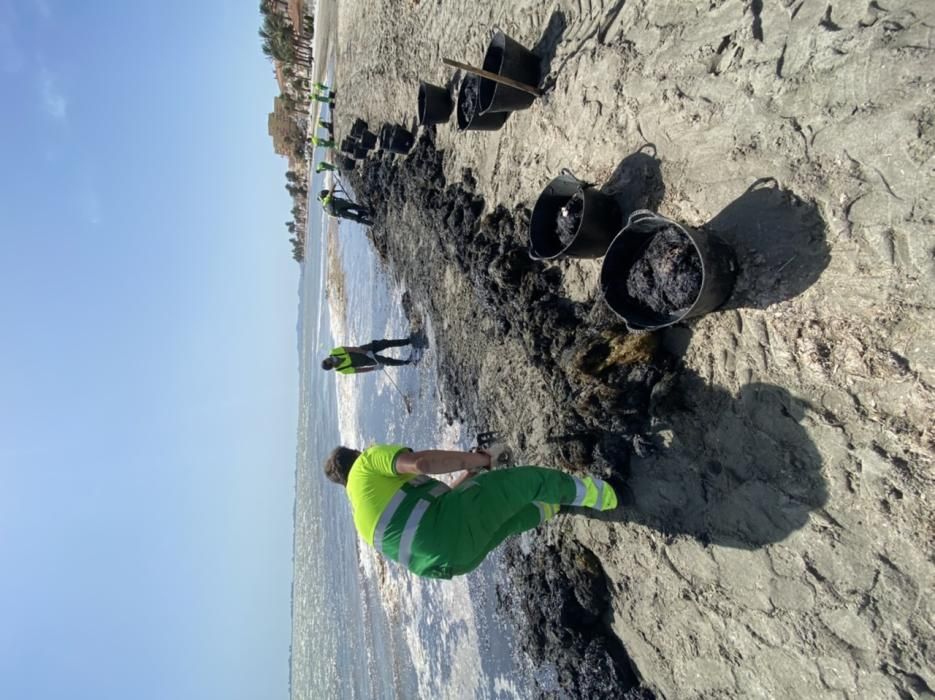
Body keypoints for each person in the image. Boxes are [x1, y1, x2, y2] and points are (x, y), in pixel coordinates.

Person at [322, 443, 618, 579]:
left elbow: (445, 503)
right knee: (526, 483)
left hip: (451, 563)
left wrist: (475, 470)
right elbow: (421, 463)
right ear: (357, 455)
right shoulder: (368, 463)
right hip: (448, 529)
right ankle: (606, 494)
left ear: (343, 485)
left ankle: (557, 505)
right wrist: (478, 458)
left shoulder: (361, 516)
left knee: (507, 519)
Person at [321, 338, 412, 374]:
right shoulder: (342, 370)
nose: (331, 357)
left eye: (329, 358)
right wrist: (374, 368)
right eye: (331, 360)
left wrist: (366, 352)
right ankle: (406, 362)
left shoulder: (334, 352)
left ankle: (408, 341)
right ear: (332, 366)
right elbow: (359, 370)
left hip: (364, 350)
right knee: (386, 361)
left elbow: (352, 349)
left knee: (385, 343)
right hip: (366, 361)